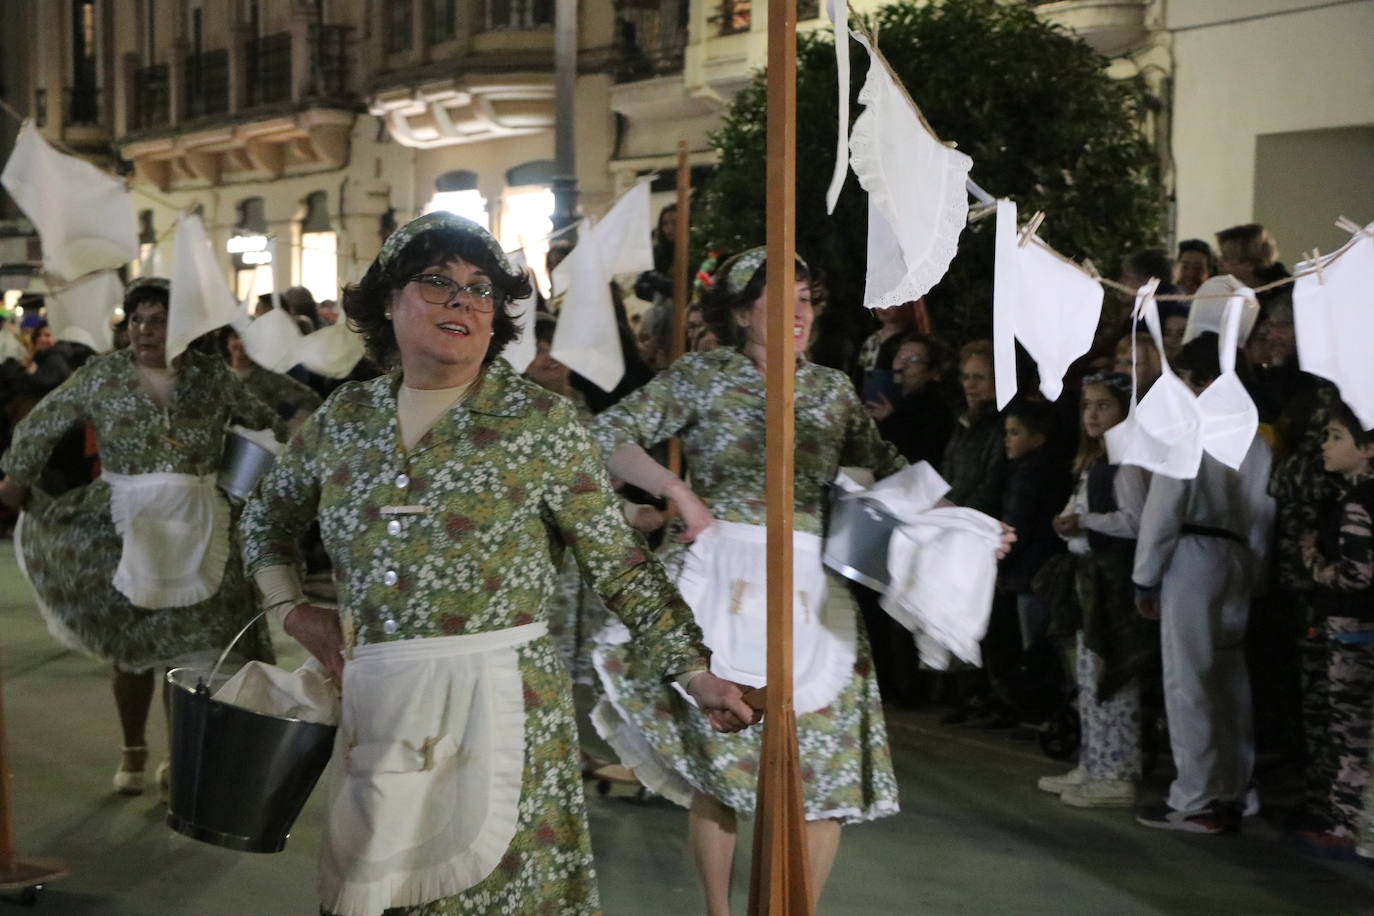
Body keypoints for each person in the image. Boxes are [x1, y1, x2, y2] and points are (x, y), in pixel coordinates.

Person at [237, 212, 754, 916]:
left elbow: (620, 567)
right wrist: (293, 610)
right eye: (436, 282)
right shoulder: (342, 420)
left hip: (504, 707)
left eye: (481, 289)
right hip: (380, 704)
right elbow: (266, 519)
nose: (461, 301)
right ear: (387, 302)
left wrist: (693, 669)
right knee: (377, 893)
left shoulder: (541, 423)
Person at [588, 247, 910, 915]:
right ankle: (719, 912)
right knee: (726, 769)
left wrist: (960, 527)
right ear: (740, 313)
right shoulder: (705, 376)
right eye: (779, 301)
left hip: (811, 590)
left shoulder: (831, 390)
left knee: (823, 776)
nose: (798, 314)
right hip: (723, 579)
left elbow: (889, 479)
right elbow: (607, 435)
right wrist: (677, 491)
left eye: (806, 299)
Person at [0, 277, 283, 798]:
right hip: (120, 524)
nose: (145, 330)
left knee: (194, 654)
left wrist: (296, 457)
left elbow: (266, 422)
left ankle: (182, 755)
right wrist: (16, 480)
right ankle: (133, 748)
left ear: (183, 328)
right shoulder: (101, 375)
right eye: (136, 319)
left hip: (202, 523)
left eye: (158, 319)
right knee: (131, 647)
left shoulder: (211, 377)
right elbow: (42, 423)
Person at [1133, 333, 1275, 834]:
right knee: (1229, 682)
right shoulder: (1255, 438)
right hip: (1238, 557)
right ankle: (1234, 787)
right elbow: (1264, 514)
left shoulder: (1191, 431)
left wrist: (1145, 576)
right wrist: (1254, 575)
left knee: (1188, 680)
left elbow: (1165, 507)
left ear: (1199, 381)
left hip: (1193, 556)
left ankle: (1195, 798)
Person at [1037, 374, 1152, 808]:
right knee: (1088, 677)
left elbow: (1134, 521)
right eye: (1088, 405)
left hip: (1112, 583)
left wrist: (1086, 523)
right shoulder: (1093, 465)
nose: (1092, 414)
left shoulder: (1126, 466)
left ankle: (1117, 771)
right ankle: (1094, 761)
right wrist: (1071, 525)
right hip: (1088, 578)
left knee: (1111, 674)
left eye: (1104, 406)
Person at [1290, 402, 1374, 859]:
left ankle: (1348, 824)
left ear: (1368, 449)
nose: (1325, 445)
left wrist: (1313, 561)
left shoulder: (1357, 502)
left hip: (1354, 630)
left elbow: (1357, 573)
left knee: (1350, 730)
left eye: (1337, 437)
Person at [866, 332, 954, 466]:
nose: (902, 366)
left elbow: (922, 458)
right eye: (900, 357)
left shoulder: (936, 410)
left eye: (914, 360)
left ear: (933, 372)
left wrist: (890, 421)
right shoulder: (887, 396)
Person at [941, 339, 1005, 516]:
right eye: (966, 377)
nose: (969, 384)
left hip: (978, 522)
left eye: (978, 378)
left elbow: (992, 484)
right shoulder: (964, 420)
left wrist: (960, 516)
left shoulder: (1004, 426)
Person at [221, 326, 322, 429]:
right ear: (227, 342)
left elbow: (310, 400)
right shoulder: (218, 374)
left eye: (246, 338)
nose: (240, 343)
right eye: (235, 337)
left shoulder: (269, 375)